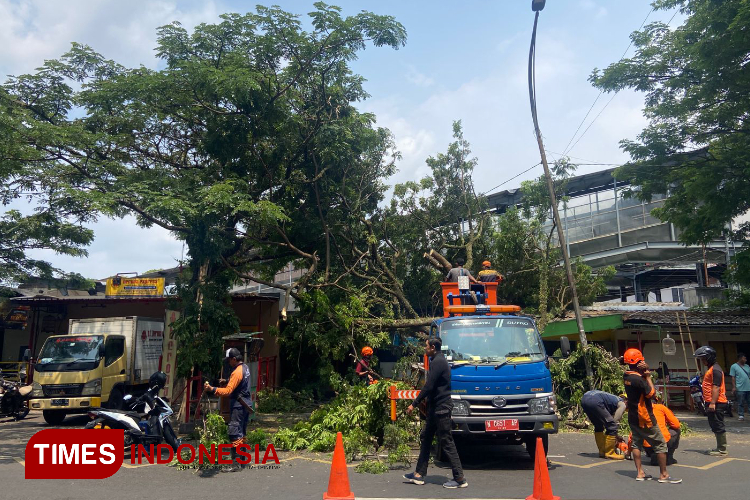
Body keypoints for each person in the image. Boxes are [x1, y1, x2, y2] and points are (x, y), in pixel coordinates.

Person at [403, 338, 467, 489]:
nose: (424, 349)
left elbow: (429, 386)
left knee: (446, 441)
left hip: (442, 408)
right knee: (426, 438)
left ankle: (459, 478)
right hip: (434, 408)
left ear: (433, 347)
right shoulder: (437, 360)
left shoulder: (438, 362)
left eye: (426, 346)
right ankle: (419, 474)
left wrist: (414, 404)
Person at [622, 348, 681, 483]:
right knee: (660, 444)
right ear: (639, 362)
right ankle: (664, 474)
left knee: (636, 443)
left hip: (633, 415)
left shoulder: (626, 376)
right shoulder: (639, 380)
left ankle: (640, 473)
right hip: (645, 417)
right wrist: (648, 377)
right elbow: (651, 394)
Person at [204, 348, 253, 472]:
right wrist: (227, 381)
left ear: (234, 359)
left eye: (229, 360)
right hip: (246, 404)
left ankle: (236, 463)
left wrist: (212, 389)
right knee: (241, 431)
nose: (228, 363)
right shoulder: (245, 368)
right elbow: (239, 382)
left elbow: (228, 391)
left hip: (239, 405)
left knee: (234, 432)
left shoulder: (236, 372)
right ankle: (243, 459)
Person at [624, 395, 681, 466]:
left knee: (641, 435)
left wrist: (629, 451)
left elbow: (633, 434)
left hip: (647, 445)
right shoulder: (661, 407)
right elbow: (676, 425)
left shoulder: (639, 411)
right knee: (676, 430)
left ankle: (652, 454)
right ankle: (669, 456)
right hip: (662, 442)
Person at [694, 346, 729, 455]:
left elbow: (716, 387)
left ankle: (722, 449)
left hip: (717, 402)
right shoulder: (712, 369)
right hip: (712, 401)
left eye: (704, 358)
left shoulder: (716, 370)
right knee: (714, 424)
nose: (703, 361)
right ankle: (719, 447)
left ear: (710, 357)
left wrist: (713, 402)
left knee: (718, 424)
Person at [580, 390, 625, 460]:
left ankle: (602, 451)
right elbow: (614, 422)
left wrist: (614, 434)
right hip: (595, 400)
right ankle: (610, 453)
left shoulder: (611, 400)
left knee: (598, 425)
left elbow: (609, 419)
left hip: (584, 399)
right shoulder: (622, 403)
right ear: (627, 400)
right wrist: (615, 434)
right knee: (612, 426)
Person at [729, 352, 750, 421]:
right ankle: (741, 415)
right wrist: (734, 387)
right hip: (740, 387)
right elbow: (733, 377)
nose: (745, 360)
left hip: (748, 387)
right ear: (740, 358)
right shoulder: (734, 366)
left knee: (749, 401)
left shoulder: (747, 366)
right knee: (740, 402)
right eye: (744, 358)